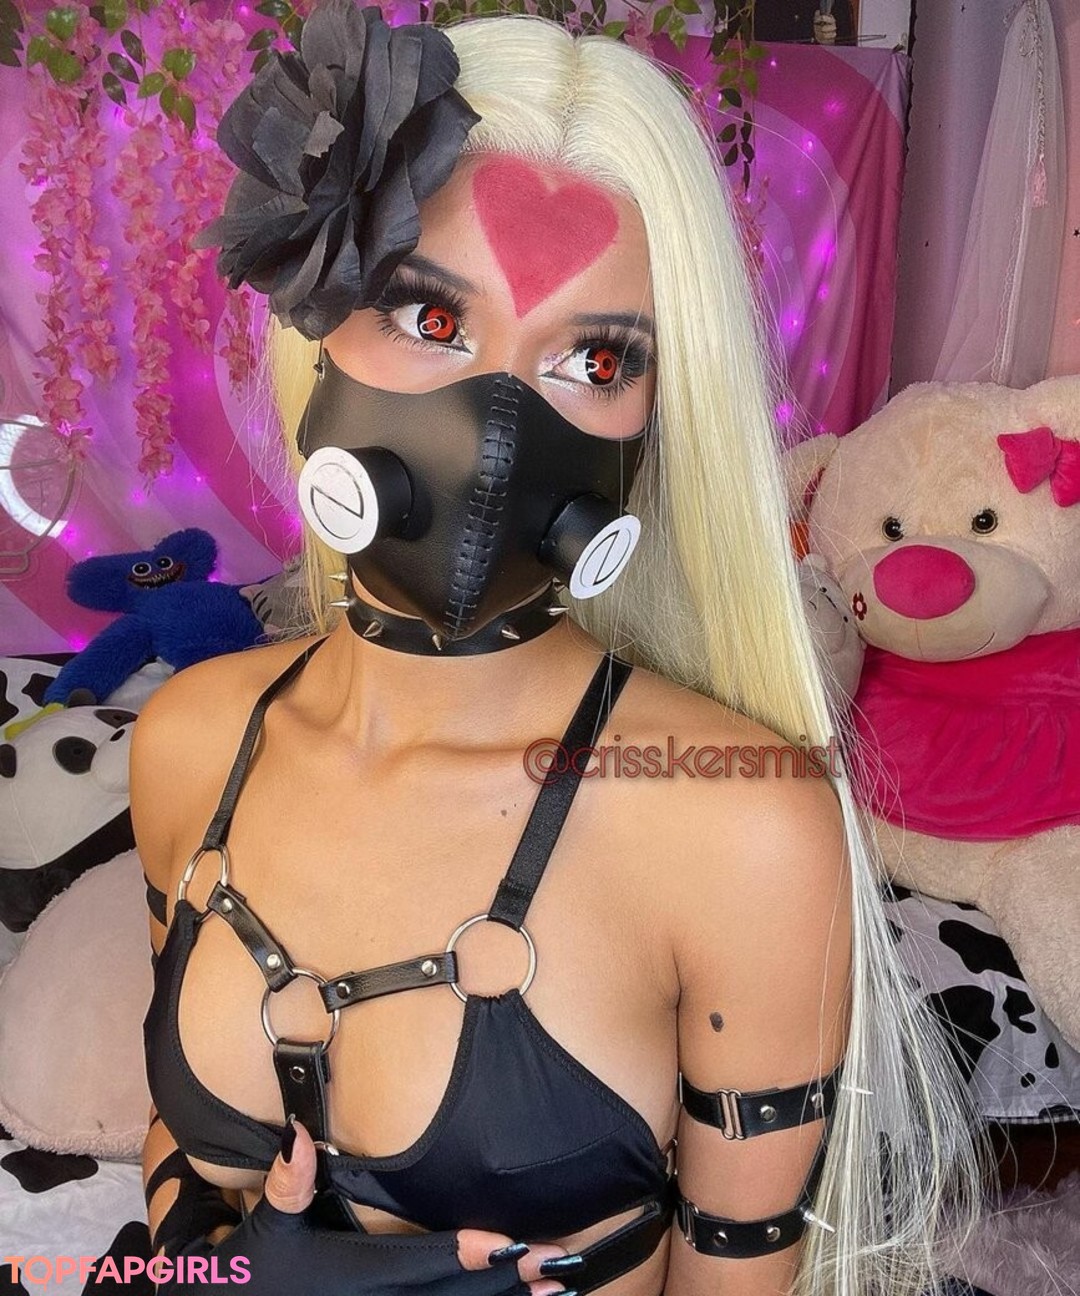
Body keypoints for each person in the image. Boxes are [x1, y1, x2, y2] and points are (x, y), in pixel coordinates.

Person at [132, 3, 986, 1294]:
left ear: (658, 417)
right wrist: (209, 1265)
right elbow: (179, 1146)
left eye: (594, 357)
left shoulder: (743, 826)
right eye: (430, 319)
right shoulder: (190, 740)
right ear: (317, 321)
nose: (494, 429)